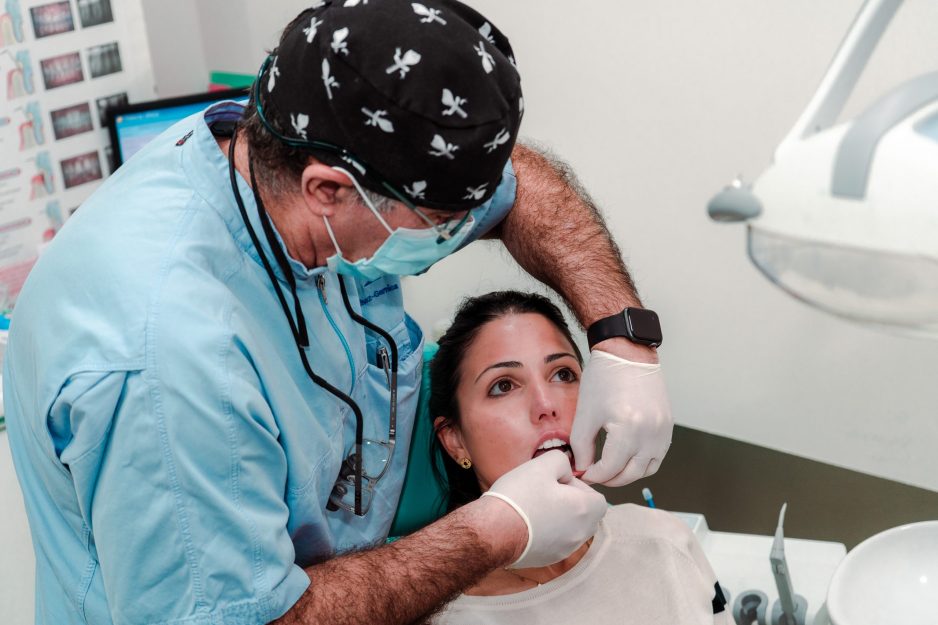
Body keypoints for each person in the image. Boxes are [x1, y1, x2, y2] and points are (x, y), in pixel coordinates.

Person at [4, 2, 672, 624]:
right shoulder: (169, 363)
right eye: (441, 226)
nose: (460, 235)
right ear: (329, 189)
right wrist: (497, 528)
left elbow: (520, 184)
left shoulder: (291, 136)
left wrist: (621, 333)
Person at [428, 291, 730, 624]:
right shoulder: (440, 614)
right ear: (455, 440)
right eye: (503, 385)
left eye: (563, 374)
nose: (546, 405)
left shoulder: (666, 540)